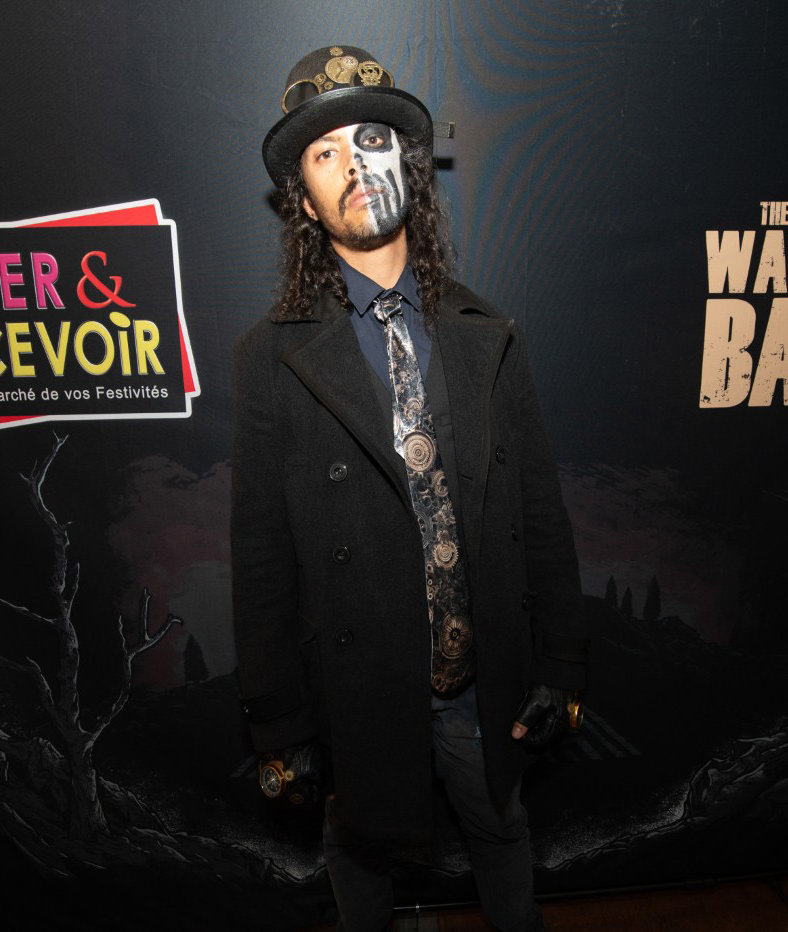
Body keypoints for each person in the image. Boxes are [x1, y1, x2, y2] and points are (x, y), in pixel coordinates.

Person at [232, 44, 589, 931]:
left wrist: (560, 664)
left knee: (503, 837)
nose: (353, 165)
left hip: (478, 684)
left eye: (371, 139)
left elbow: (539, 513)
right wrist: (280, 725)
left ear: (410, 165)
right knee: (357, 861)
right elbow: (262, 553)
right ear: (304, 201)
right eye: (325, 154)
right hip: (358, 689)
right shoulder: (271, 359)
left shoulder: (487, 333)